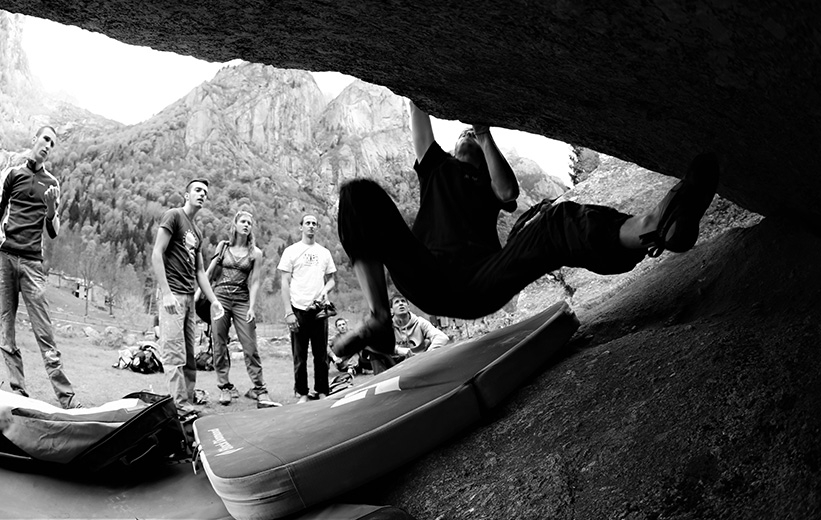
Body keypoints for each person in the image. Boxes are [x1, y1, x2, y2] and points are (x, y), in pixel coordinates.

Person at [332, 100, 719, 357]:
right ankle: (378, 318)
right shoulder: (435, 168)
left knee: (551, 220)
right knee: (357, 195)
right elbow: (417, 108)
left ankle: (653, 229)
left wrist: (483, 134)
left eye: (473, 140)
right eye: (463, 136)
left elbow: (507, 190)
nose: (465, 137)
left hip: (482, 280)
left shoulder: (488, 188)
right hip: (426, 273)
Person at [0, 126, 80, 409]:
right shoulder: (13, 175)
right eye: (45, 139)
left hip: (32, 262)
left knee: (43, 331)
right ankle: (17, 391)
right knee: (6, 326)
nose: (48, 145)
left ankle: (66, 398)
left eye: (53, 143)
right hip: (6, 257)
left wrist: (51, 210)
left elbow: (54, 230)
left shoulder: (52, 182)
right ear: (34, 140)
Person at [151, 179, 224, 423]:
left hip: (189, 299)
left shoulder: (197, 232)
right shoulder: (173, 216)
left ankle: (187, 403)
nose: (202, 194)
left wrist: (213, 300)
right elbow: (157, 254)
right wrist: (166, 292)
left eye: (205, 192)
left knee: (190, 356)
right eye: (197, 190)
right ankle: (180, 409)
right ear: (186, 194)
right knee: (173, 353)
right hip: (172, 295)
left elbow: (200, 271)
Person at [202, 210, 280, 408]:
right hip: (219, 298)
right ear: (235, 225)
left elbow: (254, 282)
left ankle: (260, 389)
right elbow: (209, 273)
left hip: (242, 300)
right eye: (243, 221)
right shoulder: (223, 246)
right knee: (219, 343)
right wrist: (198, 297)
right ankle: (225, 387)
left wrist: (252, 307)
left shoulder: (256, 253)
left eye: (249, 223)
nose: (246, 225)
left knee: (250, 345)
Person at [278, 214, 337, 403]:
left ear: (317, 227)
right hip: (298, 308)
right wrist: (288, 312)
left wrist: (325, 291)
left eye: (314, 223)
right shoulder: (291, 251)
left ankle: (322, 391)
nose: (311, 226)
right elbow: (285, 282)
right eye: (307, 223)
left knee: (321, 355)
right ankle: (302, 393)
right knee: (299, 355)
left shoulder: (324, 253)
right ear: (301, 227)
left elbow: (332, 280)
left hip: (319, 310)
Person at [366, 294, 450, 374]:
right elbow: (371, 343)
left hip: (419, 361)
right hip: (397, 363)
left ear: (408, 307)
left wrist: (427, 355)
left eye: (403, 301)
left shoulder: (420, 322)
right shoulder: (387, 326)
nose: (401, 303)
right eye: (397, 302)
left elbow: (442, 337)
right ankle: (382, 383)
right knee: (375, 352)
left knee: (429, 342)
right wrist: (398, 350)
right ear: (391, 310)